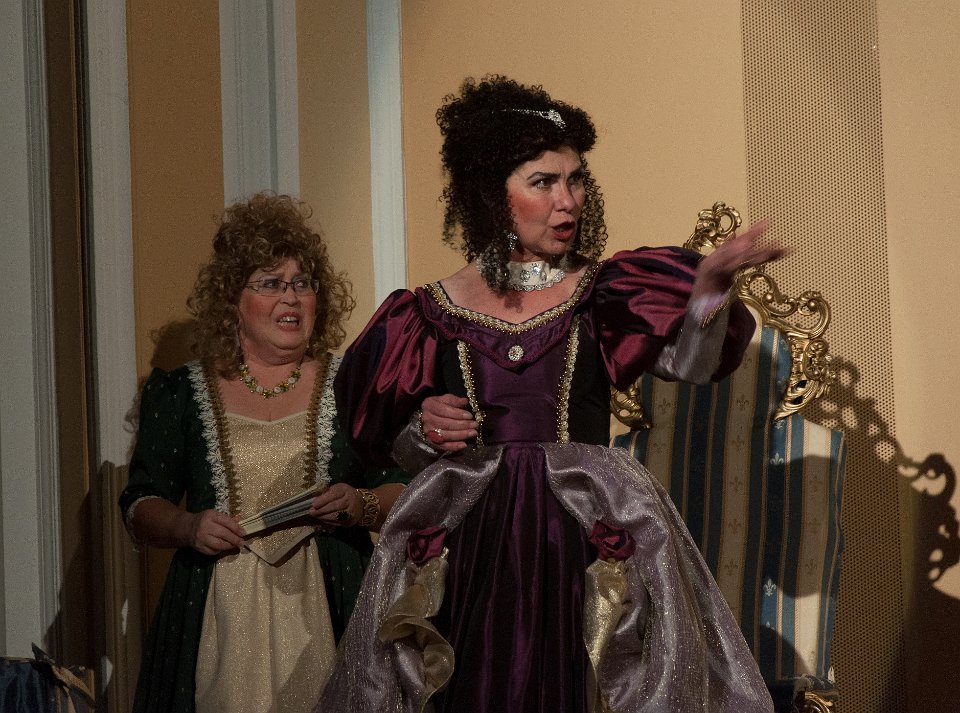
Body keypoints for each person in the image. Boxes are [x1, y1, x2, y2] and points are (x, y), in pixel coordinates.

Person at [317, 76, 783, 712]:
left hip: (583, 528)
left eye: (575, 180)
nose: (568, 201)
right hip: (472, 536)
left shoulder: (600, 291)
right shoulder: (427, 311)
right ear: (490, 194)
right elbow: (390, 442)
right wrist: (422, 429)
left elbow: (690, 365)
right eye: (543, 182)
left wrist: (708, 289)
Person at [118, 192, 408, 713]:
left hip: (332, 605)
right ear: (233, 299)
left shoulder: (355, 386)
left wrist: (359, 503)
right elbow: (140, 505)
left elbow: (405, 491)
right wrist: (187, 526)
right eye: (271, 283)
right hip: (214, 613)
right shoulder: (180, 392)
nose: (290, 298)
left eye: (303, 283)